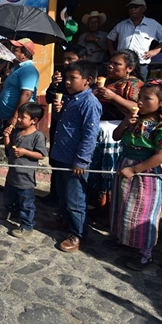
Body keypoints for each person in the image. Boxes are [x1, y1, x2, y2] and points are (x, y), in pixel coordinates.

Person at [111, 80, 162, 270]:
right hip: (125, 164)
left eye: (146, 99)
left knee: (143, 210)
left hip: (144, 172)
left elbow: (161, 156)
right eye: (139, 98)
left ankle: (145, 252)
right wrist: (125, 122)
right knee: (123, 204)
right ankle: (124, 238)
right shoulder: (134, 119)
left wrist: (134, 170)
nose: (139, 102)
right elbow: (116, 137)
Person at [50, 60, 102, 252]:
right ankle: (64, 220)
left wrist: (81, 160)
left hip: (75, 160)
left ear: (88, 80)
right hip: (62, 156)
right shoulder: (72, 99)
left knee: (76, 199)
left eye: (73, 78)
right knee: (63, 194)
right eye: (67, 78)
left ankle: (78, 234)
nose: (68, 82)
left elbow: (90, 134)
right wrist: (57, 112)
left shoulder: (90, 103)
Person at [89, 49, 145, 219]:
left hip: (116, 132)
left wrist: (113, 97)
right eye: (110, 63)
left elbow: (138, 107)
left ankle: (108, 211)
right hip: (99, 131)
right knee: (97, 170)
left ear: (130, 68)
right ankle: (97, 206)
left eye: (116, 64)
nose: (111, 67)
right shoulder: (107, 82)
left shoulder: (135, 85)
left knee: (110, 170)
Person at [43, 44, 87, 204]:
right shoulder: (62, 78)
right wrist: (54, 85)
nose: (67, 62)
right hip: (58, 124)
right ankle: (55, 194)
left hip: (72, 130)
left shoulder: (84, 82)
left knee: (69, 166)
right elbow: (48, 98)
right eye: (65, 59)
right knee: (55, 159)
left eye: (71, 59)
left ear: (82, 60)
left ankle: (69, 202)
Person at [0, 102, 47, 238]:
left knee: (26, 203)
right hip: (12, 174)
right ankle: (11, 211)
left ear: (34, 120)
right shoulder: (17, 132)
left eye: (22, 117)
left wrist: (25, 152)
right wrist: (7, 136)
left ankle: (27, 226)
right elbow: (9, 147)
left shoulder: (38, 136)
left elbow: (41, 155)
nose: (18, 119)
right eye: (18, 116)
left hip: (25, 177)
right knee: (9, 197)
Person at [107, 0, 162, 79]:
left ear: (144, 9)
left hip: (141, 65)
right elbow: (109, 38)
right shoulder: (121, 25)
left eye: (136, 7)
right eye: (130, 7)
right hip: (122, 65)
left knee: (139, 88)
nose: (133, 9)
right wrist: (112, 53)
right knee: (119, 87)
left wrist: (155, 51)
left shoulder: (152, 24)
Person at [0, 38, 40, 129]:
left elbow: (27, 94)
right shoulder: (17, 69)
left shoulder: (28, 70)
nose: (11, 52)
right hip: (9, 117)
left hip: (18, 120)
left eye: (15, 50)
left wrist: (16, 116)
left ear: (24, 55)